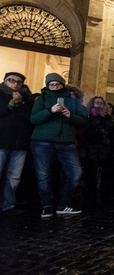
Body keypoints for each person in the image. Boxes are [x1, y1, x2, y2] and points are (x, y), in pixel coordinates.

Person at [30, 73, 88, 217]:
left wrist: (70, 116)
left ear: (63, 84)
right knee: (44, 175)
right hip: (43, 141)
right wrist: (50, 111)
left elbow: (83, 120)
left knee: (75, 174)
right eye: (52, 85)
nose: (55, 87)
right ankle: (47, 206)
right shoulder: (41, 98)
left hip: (66, 142)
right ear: (47, 85)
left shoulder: (72, 100)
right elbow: (34, 119)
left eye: (57, 84)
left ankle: (64, 204)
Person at [0, 72, 33, 215]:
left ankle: (8, 204)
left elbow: (30, 118)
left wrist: (19, 105)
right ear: (5, 81)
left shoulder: (27, 99)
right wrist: (10, 105)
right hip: (1, 141)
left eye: (19, 82)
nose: (15, 84)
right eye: (11, 80)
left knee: (14, 177)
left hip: (20, 144)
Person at [83, 96, 114, 202]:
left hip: (105, 148)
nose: (99, 105)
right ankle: (90, 194)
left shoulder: (108, 118)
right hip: (91, 149)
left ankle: (104, 194)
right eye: (97, 103)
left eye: (101, 103)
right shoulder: (88, 117)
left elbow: (111, 130)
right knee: (91, 174)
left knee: (106, 174)